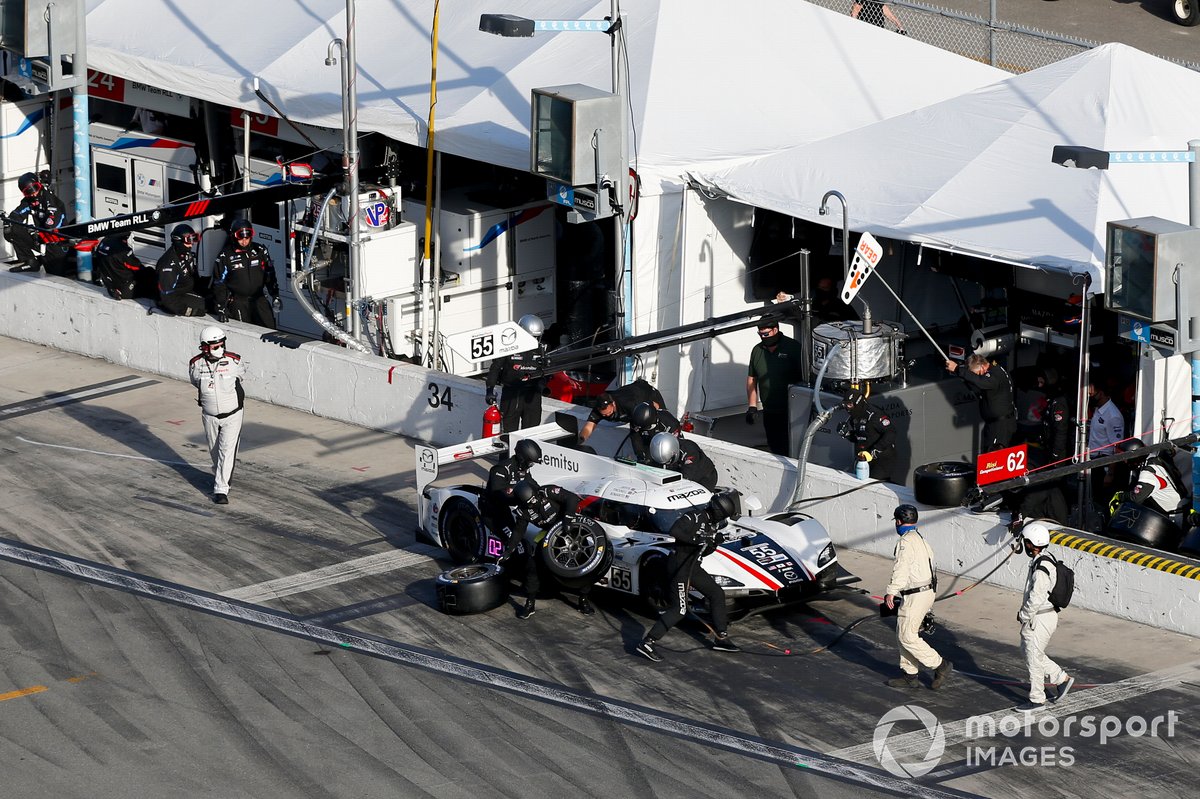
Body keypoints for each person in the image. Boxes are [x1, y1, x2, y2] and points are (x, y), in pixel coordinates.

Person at [635, 494, 741, 662]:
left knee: (716, 593)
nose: (723, 519)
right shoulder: (693, 516)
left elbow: (704, 551)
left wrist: (714, 543)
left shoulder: (712, 526)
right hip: (678, 566)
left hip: (693, 566)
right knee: (679, 610)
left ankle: (721, 637)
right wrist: (699, 539)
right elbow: (674, 531)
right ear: (716, 510)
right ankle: (648, 642)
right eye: (723, 515)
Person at [883, 505, 953, 690]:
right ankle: (910, 674)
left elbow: (902, 568)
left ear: (898, 521)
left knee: (907, 636)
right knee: (903, 633)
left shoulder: (905, 542)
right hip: (924, 592)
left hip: (915, 594)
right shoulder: (921, 539)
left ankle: (940, 665)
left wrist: (892, 590)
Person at [510, 479, 598, 619]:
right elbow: (518, 532)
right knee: (533, 565)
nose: (532, 504)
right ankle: (530, 602)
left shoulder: (548, 491)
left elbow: (572, 498)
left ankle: (583, 599)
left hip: (568, 527)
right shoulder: (523, 511)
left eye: (533, 500)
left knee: (584, 559)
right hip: (547, 534)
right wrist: (508, 550)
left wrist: (568, 519)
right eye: (528, 503)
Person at [1014, 522, 1074, 711]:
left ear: (1031, 543)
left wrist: (1024, 615)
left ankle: (1037, 699)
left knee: (1033, 657)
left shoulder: (1041, 568)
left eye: (1025, 541)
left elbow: (1037, 596)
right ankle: (1060, 678)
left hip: (1040, 617)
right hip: (1042, 616)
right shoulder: (1044, 559)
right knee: (1028, 651)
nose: (1023, 544)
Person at [188, 326, 246, 505]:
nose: (219, 349)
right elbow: (195, 382)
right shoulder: (195, 364)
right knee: (215, 452)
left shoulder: (234, 361)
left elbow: (240, 379)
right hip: (209, 416)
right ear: (205, 348)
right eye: (214, 346)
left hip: (233, 415)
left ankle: (221, 490)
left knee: (226, 451)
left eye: (221, 345)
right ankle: (222, 475)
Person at [746, 315, 805, 456]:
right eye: (760, 334)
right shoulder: (757, 350)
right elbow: (751, 379)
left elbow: (806, 378)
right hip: (770, 410)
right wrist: (752, 407)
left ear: (775, 330)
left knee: (793, 448)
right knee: (775, 447)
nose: (763, 337)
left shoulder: (793, 347)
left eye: (766, 334)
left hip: (793, 411)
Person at [212, 218, 280, 329]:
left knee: (270, 329)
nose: (244, 241)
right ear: (234, 236)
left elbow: (269, 274)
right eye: (240, 238)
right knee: (244, 330)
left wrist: (275, 294)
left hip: (259, 299)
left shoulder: (260, 251)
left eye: (247, 237)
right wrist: (220, 307)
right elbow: (220, 283)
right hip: (238, 301)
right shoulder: (225, 255)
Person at [479, 439, 543, 557]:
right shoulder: (501, 469)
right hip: (492, 512)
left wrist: (543, 494)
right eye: (530, 462)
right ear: (522, 458)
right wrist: (520, 498)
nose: (531, 465)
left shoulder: (522, 469)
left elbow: (532, 484)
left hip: (505, 510)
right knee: (518, 545)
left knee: (520, 538)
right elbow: (498, 492)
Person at [485, 314, 547, 433]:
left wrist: (542, 384)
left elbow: (549, 371)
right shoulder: (508, 346)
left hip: (532, 395)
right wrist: (489, 389)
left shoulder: (543, 350)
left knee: (531, 433)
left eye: (537, 337)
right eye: (531, 337)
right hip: (511, 394)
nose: (535, 340)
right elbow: (495, 368)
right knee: (508, 432)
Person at [945, 354, 1016, 454]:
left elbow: (980, 382)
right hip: (994, 424)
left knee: (994, 459)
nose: (978, 376)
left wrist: (957, 369)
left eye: (977, 373)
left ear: (982, 367)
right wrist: (962, 374)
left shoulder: (994, 375)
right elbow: (977, 385)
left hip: (1000, 426)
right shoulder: (993, 369)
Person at [5, 171, 71, 276]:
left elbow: (51, 223)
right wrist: (8, 221)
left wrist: (35, 232)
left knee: (55, 275)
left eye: (35, 188)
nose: (33, 193)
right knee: (12, 230)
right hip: (41, 240)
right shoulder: (29, 201)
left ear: (39, 185)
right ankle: (30, 262)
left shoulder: (50, 200)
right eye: (28, 192)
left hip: (56, 242)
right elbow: (16, 215)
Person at [1119, 439, 1189, 527]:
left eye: (1125, 459)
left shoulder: (1148, 472)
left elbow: (1136, 498)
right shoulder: (1154, 458)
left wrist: (1120, 496)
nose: (1124, 462)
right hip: (1177, 510)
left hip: (1175, 516)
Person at [578, 379, 665, 444]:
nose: (607, 416)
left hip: (649, 395)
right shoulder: (598, 409)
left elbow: (655, 405)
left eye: (609, 413)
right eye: (604, 415)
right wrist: (580, 440)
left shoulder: (629, 404)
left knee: (653, 424)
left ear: (613, 404)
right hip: (632, 395)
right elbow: (588, 427)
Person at [838, 386, 896, 481]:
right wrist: (847, 434)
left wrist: (876, 450)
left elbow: (891, 433)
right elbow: (860, 436)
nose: (847, 408)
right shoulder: (854, 417)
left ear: (858, 403)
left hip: (882, 459)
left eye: (849, 404)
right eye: (845, 405)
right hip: (864, 458)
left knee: (874, 483)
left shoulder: (874, 415)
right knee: (861, 481)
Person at [1088, 381, 1124, 509]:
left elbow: (1117, 446)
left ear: (1101, 393)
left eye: (1092, 393)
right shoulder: (1098, 409)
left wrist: (1110, 473)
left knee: (1101, 501)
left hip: (1103, 462)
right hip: (1093, 460)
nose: (1090, 396)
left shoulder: (1113, 415)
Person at [156, 224, 206, 317]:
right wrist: (189, 311)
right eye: (189, 240)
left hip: (187, 290)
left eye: (193, 239)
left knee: (212, 296)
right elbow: (167, 298)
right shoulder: (169, 265)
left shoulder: (186, 254)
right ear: (178, 241)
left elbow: (192, 273)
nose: (191, 244)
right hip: (175, 298)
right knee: (205, 305)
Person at [94, 232, 156, 301]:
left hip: (110, 285)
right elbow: (137, 268)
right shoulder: (122, 250)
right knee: (150, 276)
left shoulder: (104, 241)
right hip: (124, 289)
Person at [649, 432, 719, 491]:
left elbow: (687, 476)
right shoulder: (662, 450)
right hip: (682, 471)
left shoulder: (690, 450)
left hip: (705, 477)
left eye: (669, 461)